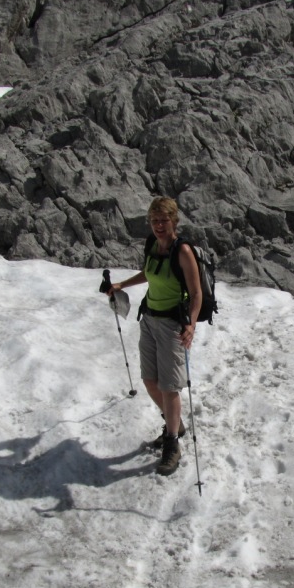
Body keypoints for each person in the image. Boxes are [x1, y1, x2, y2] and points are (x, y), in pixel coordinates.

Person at [104, 197, 202, 476]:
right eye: (154, 220)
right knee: (150, 380)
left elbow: (196, 293)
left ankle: (172, 442)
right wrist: (122, 284)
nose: (159, 225)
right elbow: (149, 273)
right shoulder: (152, 245)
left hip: (173, 324)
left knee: (170, 386)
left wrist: (191, 325)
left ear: (174, 221)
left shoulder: (182, 251)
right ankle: (175, 425)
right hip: (149, 320)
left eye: (163, 220)